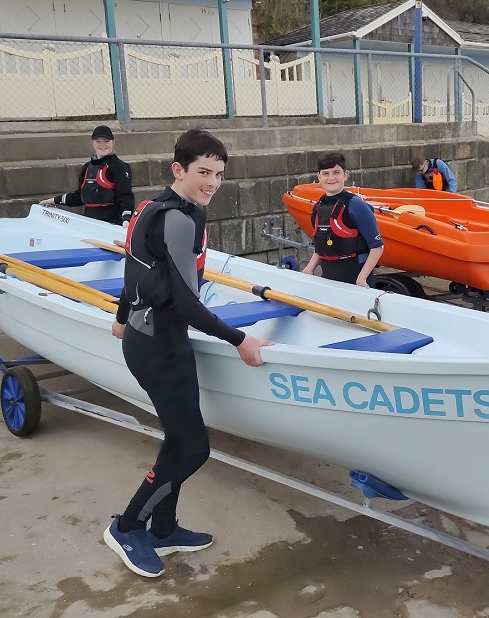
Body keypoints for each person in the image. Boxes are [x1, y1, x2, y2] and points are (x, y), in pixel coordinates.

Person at [105, 129, 273, 578]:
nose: (213, 182)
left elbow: (133, 270)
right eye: (204, 172)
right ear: (178, 170)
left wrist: (123, 315)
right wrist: (241, 340)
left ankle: (163, 529)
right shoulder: (182, 218)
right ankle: (128, 526)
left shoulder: (148, 208)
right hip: (161, 345)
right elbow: (184, 302)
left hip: (151, 339)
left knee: (178, 440)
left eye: (219, 174)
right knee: (194, 448)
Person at [302, 151, 384, 287]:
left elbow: (377, 247)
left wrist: (362, 279)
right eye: (326, 173)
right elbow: (322, 246)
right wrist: (310, 268)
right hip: (329, 280)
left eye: (336, 172)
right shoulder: (318, 207)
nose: (331, 178)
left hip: (356, 281)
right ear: (319, 177)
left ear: (345, 174)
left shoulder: (356, 205)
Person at [40, 125, 134, 225]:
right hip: (89, 222)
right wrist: (54, 200)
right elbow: (79, 196)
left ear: (113, 143)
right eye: (98, 141)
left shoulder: (120, 167)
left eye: (107, 141)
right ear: (92, 143)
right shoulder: (87, 167)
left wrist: (126, 219)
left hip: (112, 223)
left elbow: (125, 196)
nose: (102, 145)